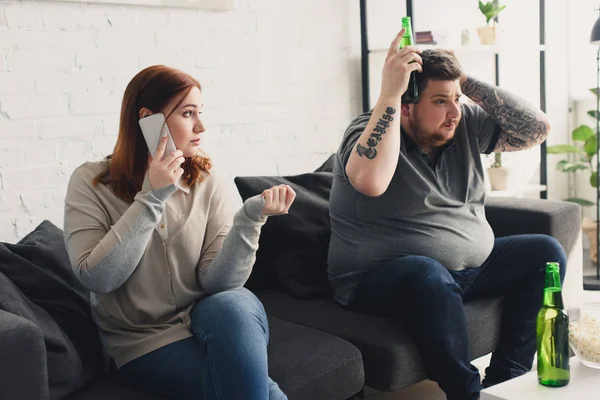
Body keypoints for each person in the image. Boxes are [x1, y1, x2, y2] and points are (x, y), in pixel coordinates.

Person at [327, 29, 567, 400]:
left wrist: (463, 81)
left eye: (456, 99)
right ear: (407, 106)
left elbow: (536, 129)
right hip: (377, 280)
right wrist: (390, 92)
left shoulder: (463, 123)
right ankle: (466, 393)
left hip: (466, 272)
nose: (454, 112)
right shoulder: (369, 129)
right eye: (440, 101)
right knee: (427, 272)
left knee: (544, 253)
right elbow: (370, 181)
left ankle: (504, 383)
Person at [63, 65, 295, 400]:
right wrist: (152, 197)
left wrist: (249, 219)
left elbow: (219, 284)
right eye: (188, 114)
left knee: (234, 303)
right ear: (148, 119)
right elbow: (98, 277)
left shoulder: (209, 178)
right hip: (140, 342)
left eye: (200, 112)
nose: (201, 126)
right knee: (260, 393)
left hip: (209, 318)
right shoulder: (89, 182)